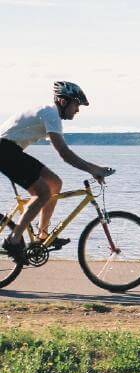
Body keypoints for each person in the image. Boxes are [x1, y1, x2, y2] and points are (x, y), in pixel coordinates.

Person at [0, 81, 113, 260]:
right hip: (4, 151)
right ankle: (13, 240)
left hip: (9, 150)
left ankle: (43, 236)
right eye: (76, 104)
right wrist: (94, 169)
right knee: (42, 193)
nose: (77, 110)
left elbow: (62, 150)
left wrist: (92, 169)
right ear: (63, 101)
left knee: (55, 183)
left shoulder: (49, 113)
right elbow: (64, 153)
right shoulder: (50, 113)